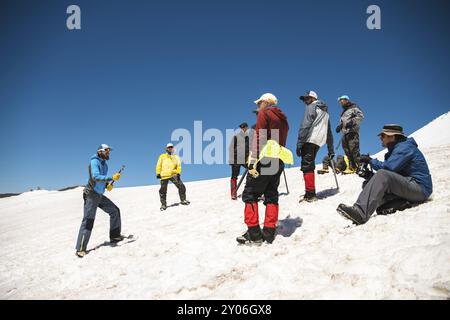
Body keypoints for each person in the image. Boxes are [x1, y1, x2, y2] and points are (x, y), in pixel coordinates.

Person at [337, 124, 433, 225]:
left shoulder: (405, 148)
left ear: (392, 136)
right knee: (368, 183)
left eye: (383, 136)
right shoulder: (395, 150)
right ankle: (397, 203)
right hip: (410, 186)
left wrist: (370, 161)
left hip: (419, 188)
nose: (380, 139)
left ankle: (360, 213)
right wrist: (368, 175)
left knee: (382, 174)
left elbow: (388, 168)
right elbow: (391, 177)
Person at [236, 93, 292, 245]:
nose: (258, 105)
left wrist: (253, 159)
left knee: (250, 194)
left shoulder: (264, 112)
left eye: (259, 102)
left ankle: (254, 234)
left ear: (266, 102)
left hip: (264, 158)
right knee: (271, 194)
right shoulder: (283, 120)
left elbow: (260, 136)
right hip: (278, 159)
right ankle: (269, 232)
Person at [75, 144, 124, 258]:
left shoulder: (104, 165)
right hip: (91, 194)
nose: (108, 153)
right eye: (107, 151)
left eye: (109, 151)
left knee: (115, 211)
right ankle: (80, 248)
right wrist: (111, 177)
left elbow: (101, 180)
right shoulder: (94, 162)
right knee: (88, 221)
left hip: (99, 194)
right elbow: (95, 177)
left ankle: (115, 236)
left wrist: (107, 185)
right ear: (100, 151)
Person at [296, 91, 334, 202]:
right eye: (304, 100)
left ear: (313, 98)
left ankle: (310, 194)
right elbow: (329, 132)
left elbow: (305, 125)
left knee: (307, 166)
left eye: (307, 99)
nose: (305, 102)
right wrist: (330, 149)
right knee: (310, 164)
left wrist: (299, 143)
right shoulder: (325, 113)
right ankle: (310, 192)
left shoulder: (311, 107)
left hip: (308, 140)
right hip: (318, 142)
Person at [156, 143, 190, 211]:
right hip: (164, 175)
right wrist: (158, 173)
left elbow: (179, 166)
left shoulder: (176, 157)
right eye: (169, 147)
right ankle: (163, 205)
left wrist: (178, 172)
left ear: (173, 148)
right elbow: (159, 165)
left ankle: (183, 200)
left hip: (173, 174)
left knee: (181, 186)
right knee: (163, 190)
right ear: (166, 148)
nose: (170, 148)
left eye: (171, 147)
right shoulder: (162, 156)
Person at [335, 95, 364, 174]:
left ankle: (359, 166)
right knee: (347, 150)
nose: (340, 102)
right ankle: (352, 167)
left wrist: (352, 122)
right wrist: (340, 126)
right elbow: (343, 122)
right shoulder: (343, 112)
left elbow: (361, 116)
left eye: (342, 100)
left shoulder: (353, 107)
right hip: (344, 133)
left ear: (346, 100)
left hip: (352, 131)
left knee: (353, 149)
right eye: (340, 101)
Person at [228, 122, 250, 200]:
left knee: (252, 171)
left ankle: (250, 190)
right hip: (236, 159)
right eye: (242, 127)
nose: (243, 128)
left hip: (245, 159)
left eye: (244, 127)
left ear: (247, 128)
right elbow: (231, 148)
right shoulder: (236, 137)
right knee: (234, 176)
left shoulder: (248, 138)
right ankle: (233, 194)